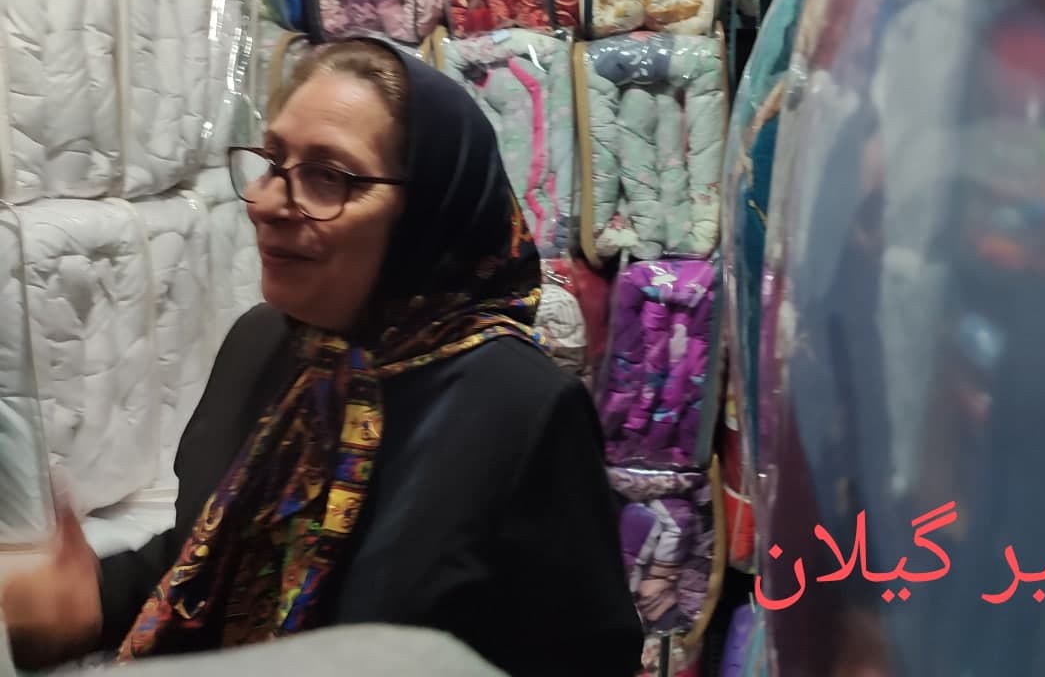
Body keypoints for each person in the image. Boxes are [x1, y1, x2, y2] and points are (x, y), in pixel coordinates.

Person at [1, 36, 643, 675]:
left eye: (327, 177)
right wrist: (87, 602)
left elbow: (586, 659)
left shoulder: (518, 409)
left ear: (426, 212)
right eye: (272, 160)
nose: (266, 203)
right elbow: (210, 553)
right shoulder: (265, 345)